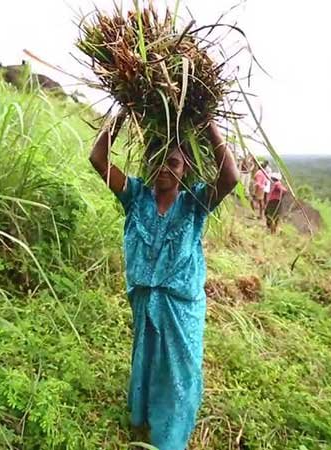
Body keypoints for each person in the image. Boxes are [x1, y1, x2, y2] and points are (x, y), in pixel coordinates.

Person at [89, 110, 238, 450]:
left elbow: (230, 177)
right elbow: (97, 158)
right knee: (148, 360)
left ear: (186, 169)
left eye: (173, 163)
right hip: (145, 299)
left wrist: (208, 123)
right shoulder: (136, 196)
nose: (164, 170)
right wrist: (123, 112)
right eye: (158, 161)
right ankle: (144, 416)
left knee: (179, 371)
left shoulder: (195, 202)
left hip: (181, 306)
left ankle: (169, 439)